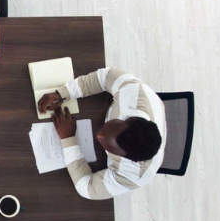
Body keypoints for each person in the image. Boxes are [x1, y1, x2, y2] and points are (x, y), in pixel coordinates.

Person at [38, 67, 166, 200]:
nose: (98, 136)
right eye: (107, 129)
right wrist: (64, 93)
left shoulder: (135, 175)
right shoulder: (134, 93)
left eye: (107, 145)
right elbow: (104, 77)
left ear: (127, 158)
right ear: (128, 119)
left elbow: (87, 188)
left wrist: (68, 139)